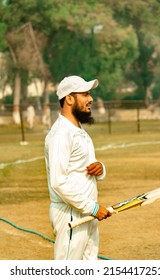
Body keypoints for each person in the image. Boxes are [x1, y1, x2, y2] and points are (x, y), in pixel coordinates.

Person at [44, 75, 111, 260]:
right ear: (69, 99)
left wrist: (100, 168)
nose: (90, 99)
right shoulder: (60, 135)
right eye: (85, 94)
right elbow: (58, 182)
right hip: (72, 213)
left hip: (86, 212)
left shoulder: (79, 131)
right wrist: (93, 208)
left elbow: (88, 167)